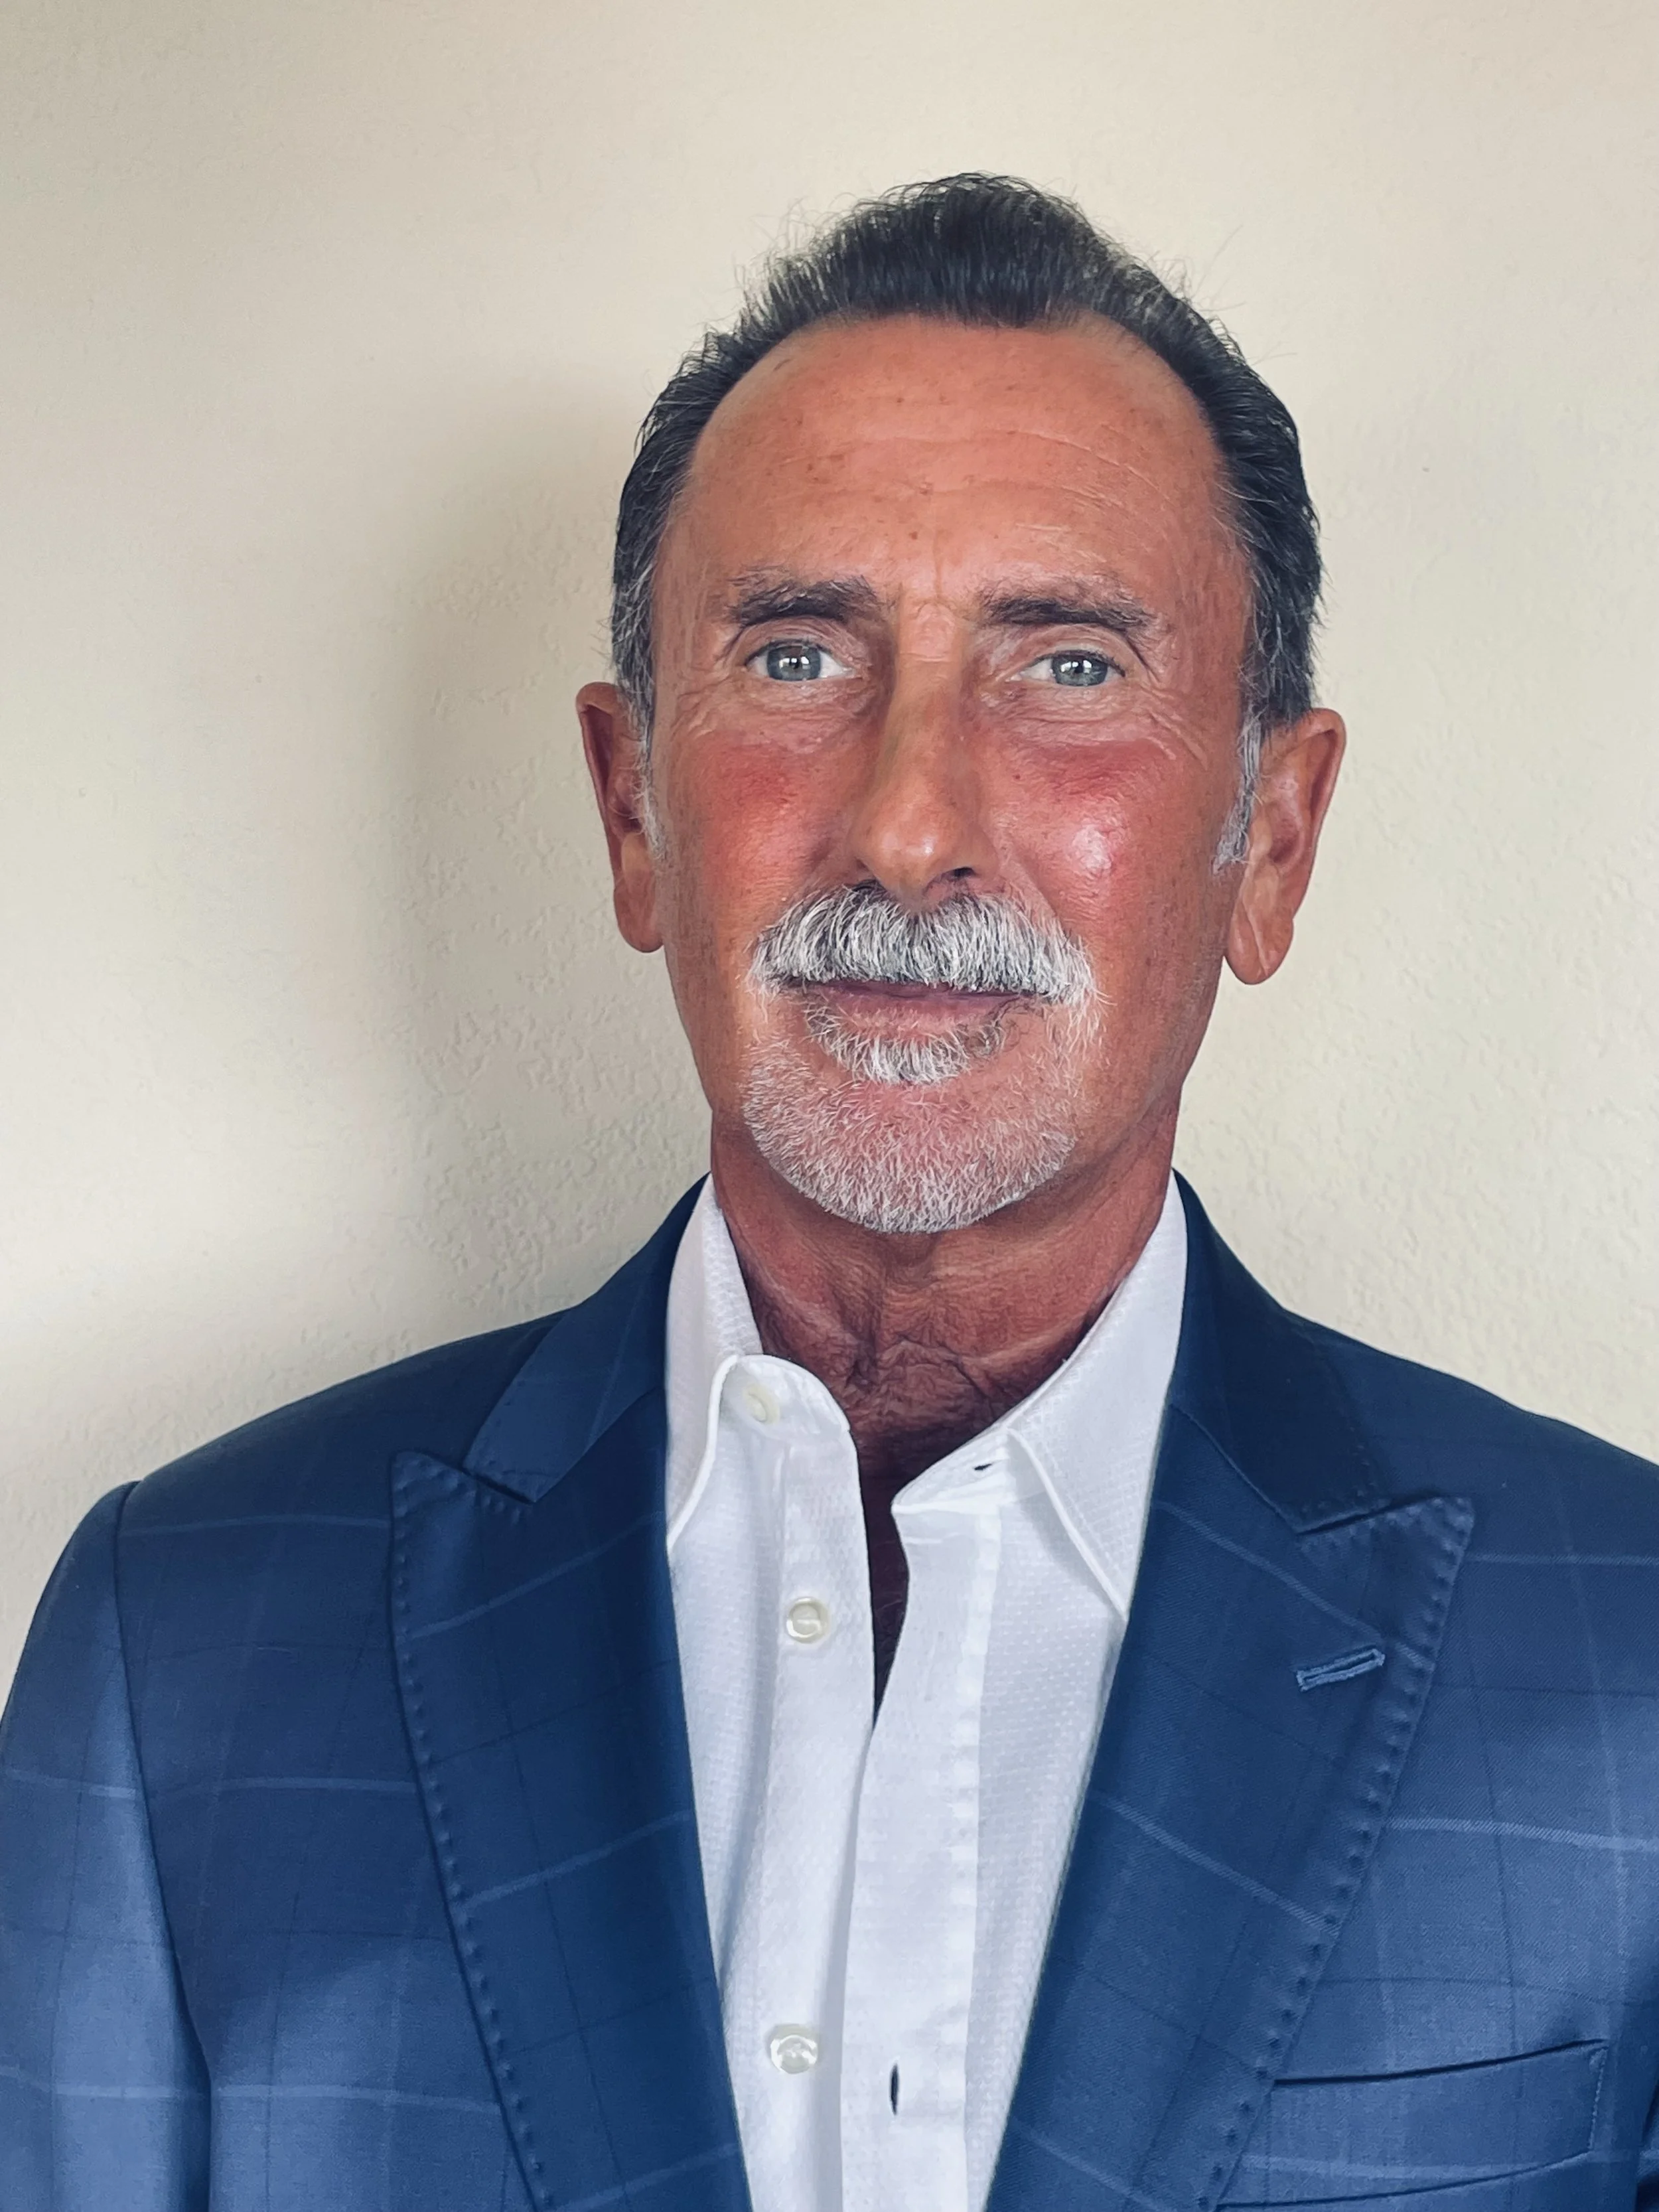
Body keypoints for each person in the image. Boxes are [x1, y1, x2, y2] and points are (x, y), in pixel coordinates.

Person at [2, 174, 1655, 2212]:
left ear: (1270, 841)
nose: (903, 825)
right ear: (631, 810)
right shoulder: (184, 1654)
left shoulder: (1623, 1666)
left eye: (1063, 668)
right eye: (795, 656)